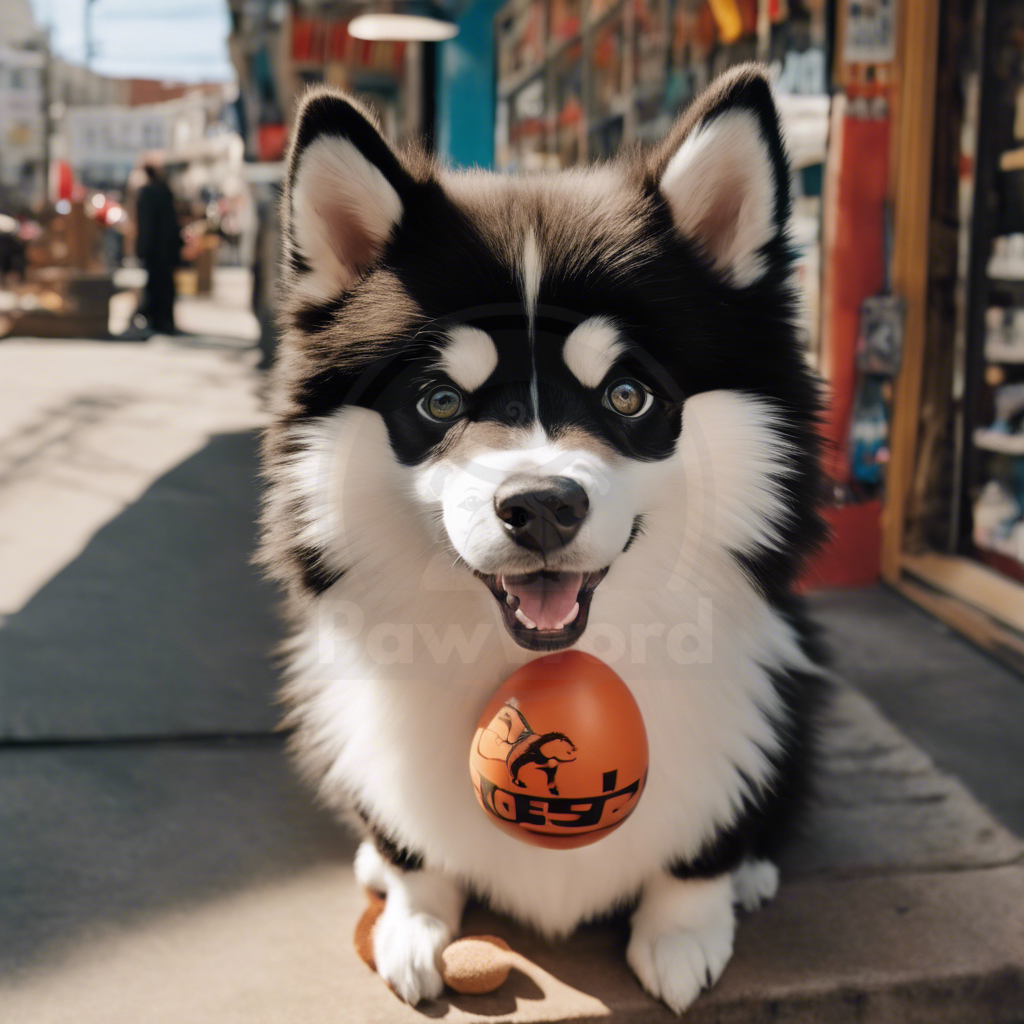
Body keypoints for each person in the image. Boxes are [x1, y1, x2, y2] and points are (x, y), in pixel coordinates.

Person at [134, 163, 181, 335]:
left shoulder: (147, 193)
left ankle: (155, 319)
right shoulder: (165, 191)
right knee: (166, 286)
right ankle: (165, 321)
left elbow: (146, 225)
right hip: (167, 250)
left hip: (154, 250)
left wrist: (142, 249)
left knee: (155, 285)